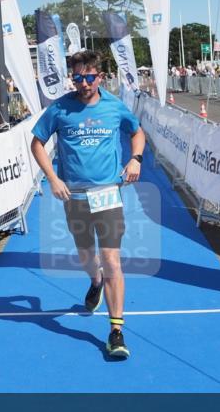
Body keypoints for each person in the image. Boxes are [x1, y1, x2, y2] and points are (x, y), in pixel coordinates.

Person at [30, 50, 146, 360]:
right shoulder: (60, 108)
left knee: (112, 260)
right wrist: (53, 178)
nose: (83, 83)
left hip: (108, 193)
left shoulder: (114, 107)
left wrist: (135, 159)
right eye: (77, 77)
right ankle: (94, 281)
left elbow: (137, 132)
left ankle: (116, 331)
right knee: (87, 255)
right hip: (74, 197)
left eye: (89, 77)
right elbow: (36, 143)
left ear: (100, 76)